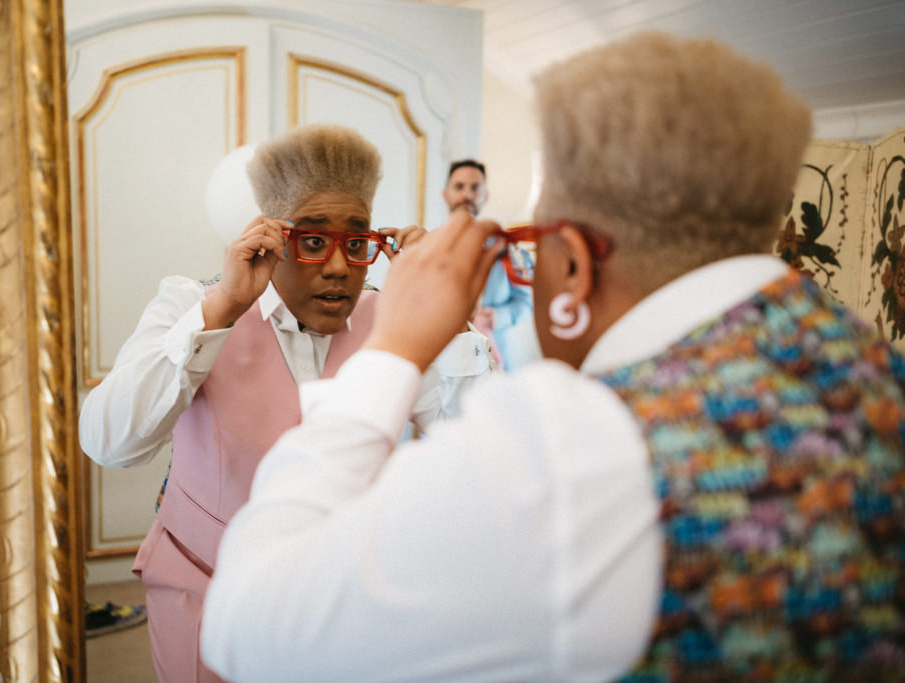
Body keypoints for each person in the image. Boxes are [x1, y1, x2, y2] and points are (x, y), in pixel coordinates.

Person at [201, 32, 905, 682]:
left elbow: (246, 624)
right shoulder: (876, 367)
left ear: (570, 262)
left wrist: (389, 352)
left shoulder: (564, 452)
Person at [78, 123, 495, 682]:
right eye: (313, 239)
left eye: (357, 241)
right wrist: (220, 308)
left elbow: (482, 454)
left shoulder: (391, 323)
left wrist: (448, 315)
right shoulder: (192, 303)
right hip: (202, 590)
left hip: (344, 602)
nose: (340, 266)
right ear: (271, 237)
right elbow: (109, 442)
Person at [444, 159, 537, 370]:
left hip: (497, 356)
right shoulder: (428, 249)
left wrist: (499, 317)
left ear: (485, 195)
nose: (467, 195)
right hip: (446, 354)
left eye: (475, 188)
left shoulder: (510, 250)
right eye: (459, 187)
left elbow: (525, 302)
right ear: (446, 194)